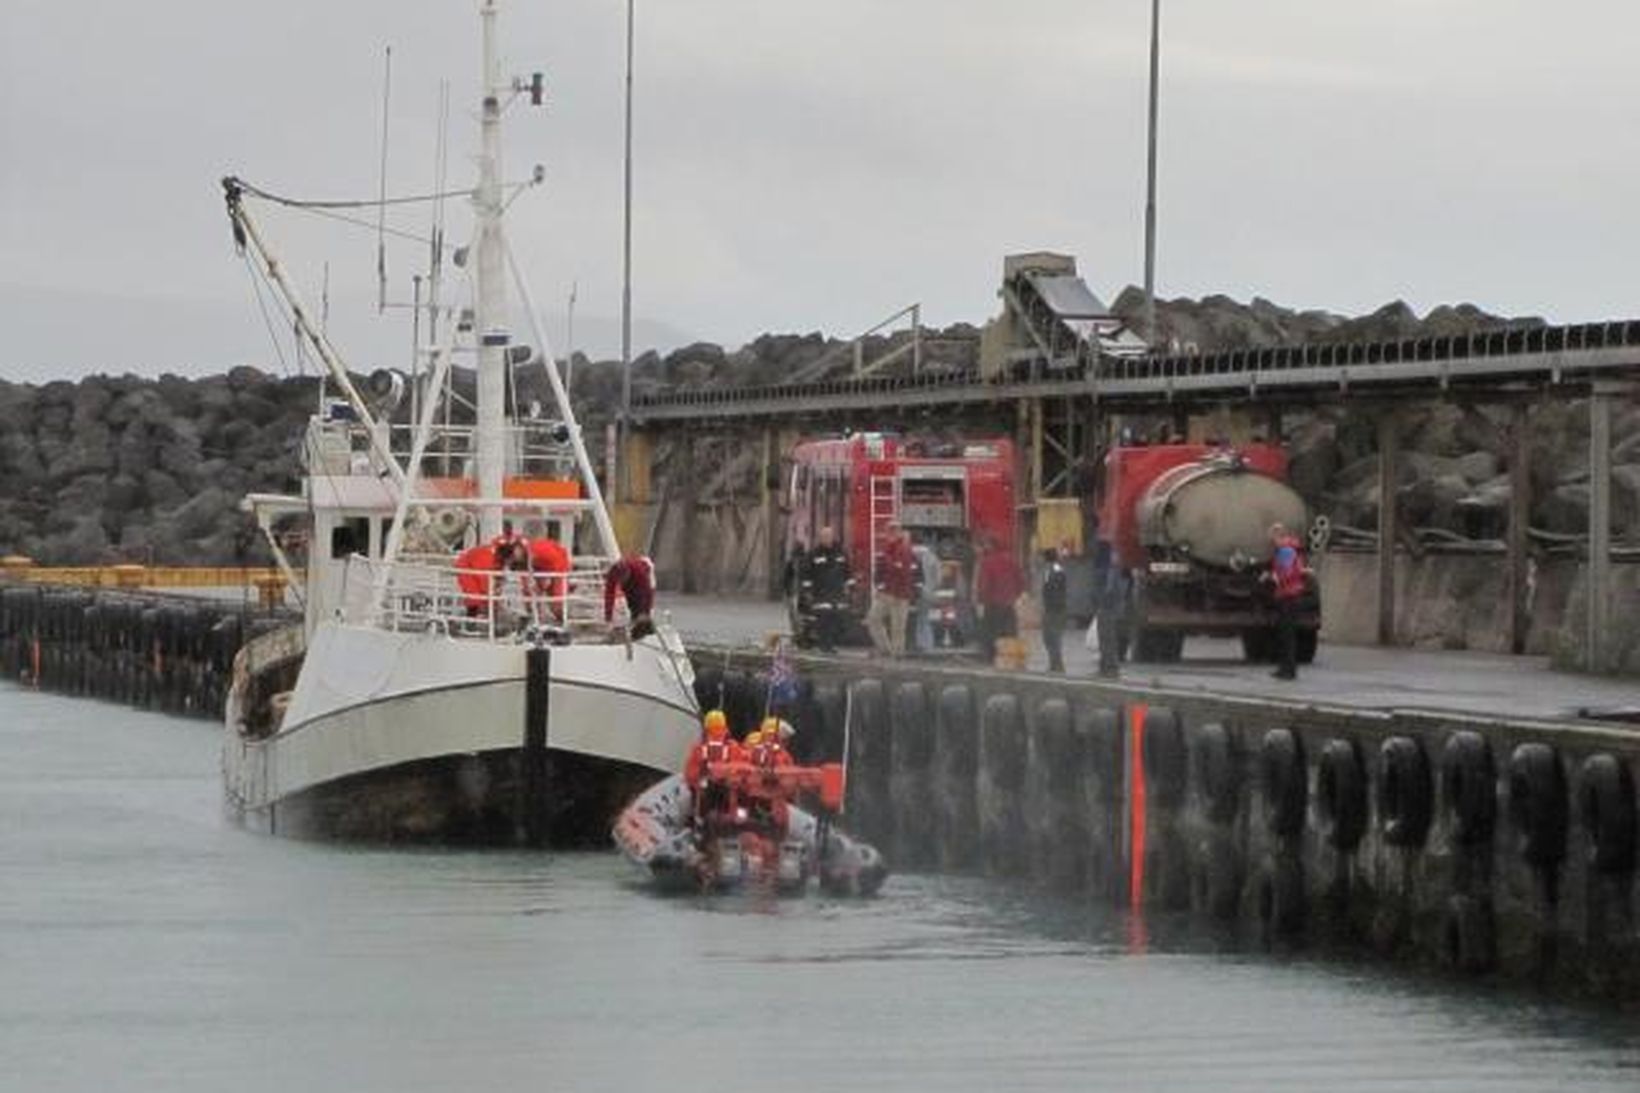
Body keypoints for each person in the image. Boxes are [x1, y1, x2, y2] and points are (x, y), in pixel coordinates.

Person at [1262, 522, 1312, 681]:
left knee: (1287, 635)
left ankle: (1288, 670)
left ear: (1278, 536)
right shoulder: (1289, 549)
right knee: (1286, 635)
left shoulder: (1285, 550)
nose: (1271, 542)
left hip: (1289, 595)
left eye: (1272, 538)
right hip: (1289, 594)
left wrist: (1271, 577)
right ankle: (1285, 668)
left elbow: (1287, 573)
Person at [865, 522, 916, 657]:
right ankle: (887, 649)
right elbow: (879, 570)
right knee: (874, 619)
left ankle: (897, 653)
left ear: (899, 532)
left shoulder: (904, 550)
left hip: (898, 593)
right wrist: (879, 585)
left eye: (895, 531)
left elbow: (904, 571)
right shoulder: (887, 549)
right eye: (890, 531)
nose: (892, 534)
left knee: (897, 626)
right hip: (889, 592)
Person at [801, 526, 851, 653]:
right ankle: (825, 645)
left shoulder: (840, 553)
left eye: (829, 536)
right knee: (823, 619)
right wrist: (807, 591)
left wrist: (851, 588)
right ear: (820, 538)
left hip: (837, 593)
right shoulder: (814, 554)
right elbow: (806, 574)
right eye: (824, 536)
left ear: (833, 537)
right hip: (820, 593)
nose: (827, 539)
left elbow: (848, 572)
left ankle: (830, 644)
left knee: (836, 619)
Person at [974, 535, 1024, 663]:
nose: (984, 547)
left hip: (993, 603)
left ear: (991, 546)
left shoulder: (987, 562)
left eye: (986, 544)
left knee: (990, 633)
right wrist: (1014, 596)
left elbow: (984, 584)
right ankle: (1011, 659)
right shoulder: (1012, 560)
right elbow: (1020, 581)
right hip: (1009, 603)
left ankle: (991, 659)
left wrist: (981, 600)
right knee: (1010, 633)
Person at [603, 551, 656, 639]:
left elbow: (648, 593)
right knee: (632, 605)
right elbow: (609, 595)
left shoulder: (639, 572)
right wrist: (608, 617)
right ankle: (634, 630)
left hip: (645, 578)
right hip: (631, 584)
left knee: (642, 611)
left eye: (623, 578)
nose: (621, 581)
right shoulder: (613, 573)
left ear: (628, 572)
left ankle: (648, 631)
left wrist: (645, 611)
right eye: (620, 580)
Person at [528, 535, 572, 621]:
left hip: (556, 565)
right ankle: (536, 615)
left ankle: (561, 617)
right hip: (544, 565)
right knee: (537, 592)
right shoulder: (533, 549)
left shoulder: (534, 550)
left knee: (556, 596)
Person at [910, 537, 941, 654]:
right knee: (925, 618)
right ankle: (926, 643)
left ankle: (923, 644)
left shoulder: (912, 556)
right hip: (930, 592)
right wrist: (933, 587)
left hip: (917, 592)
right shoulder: (933, 558)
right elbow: (938, 579)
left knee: (920, 619)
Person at [1040, 546, 1068, 673]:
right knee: (1051, 637)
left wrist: (1048, 606)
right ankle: (1055, 664)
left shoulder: (1053, 570)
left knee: (1051, 636)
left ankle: (1056, 665)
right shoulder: (1055, 569)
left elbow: (1052, 589)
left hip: (1053, 608)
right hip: (1056, 607)